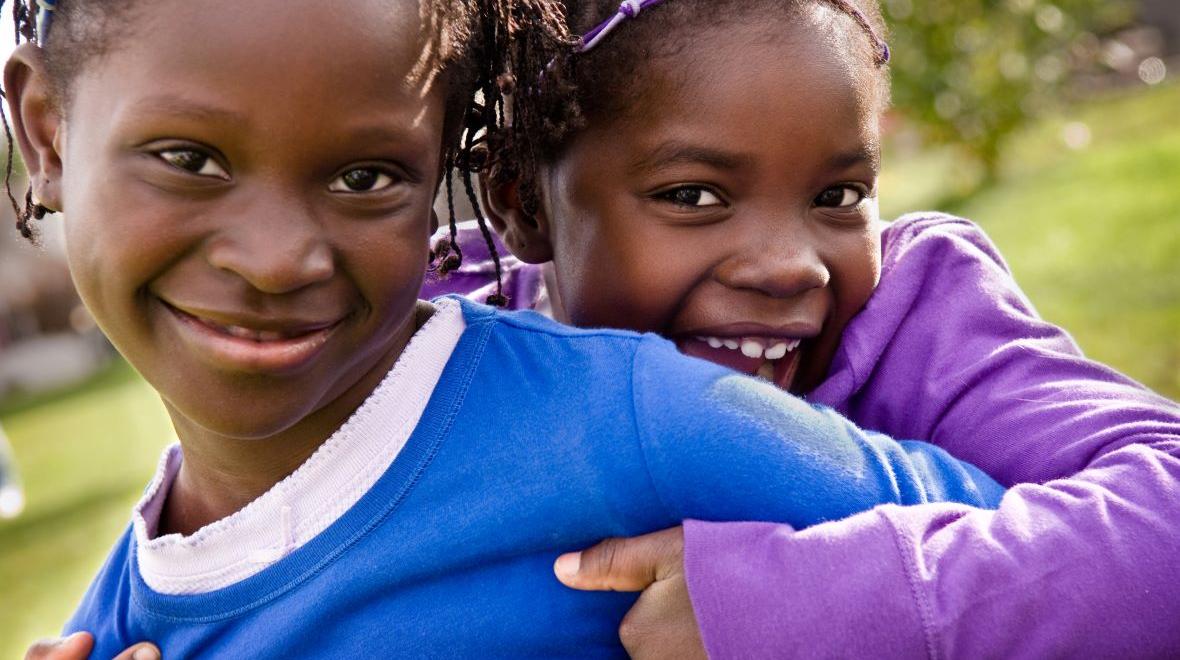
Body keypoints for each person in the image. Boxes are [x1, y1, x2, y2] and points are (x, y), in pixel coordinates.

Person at [4, 0, 1005, 657]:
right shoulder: (118, 618)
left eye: (367, 177)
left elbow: (1001, 556)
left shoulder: (634, 418)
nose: (276, 257)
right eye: (189, 159)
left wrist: (788, 611)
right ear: (44, 134)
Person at [421, 0, 1180, 655]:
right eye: (692, 195)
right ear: (522, 206)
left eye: (838, 194)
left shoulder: (912, 324)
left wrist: (798, 610)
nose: (791, 268)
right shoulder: (441, 359)